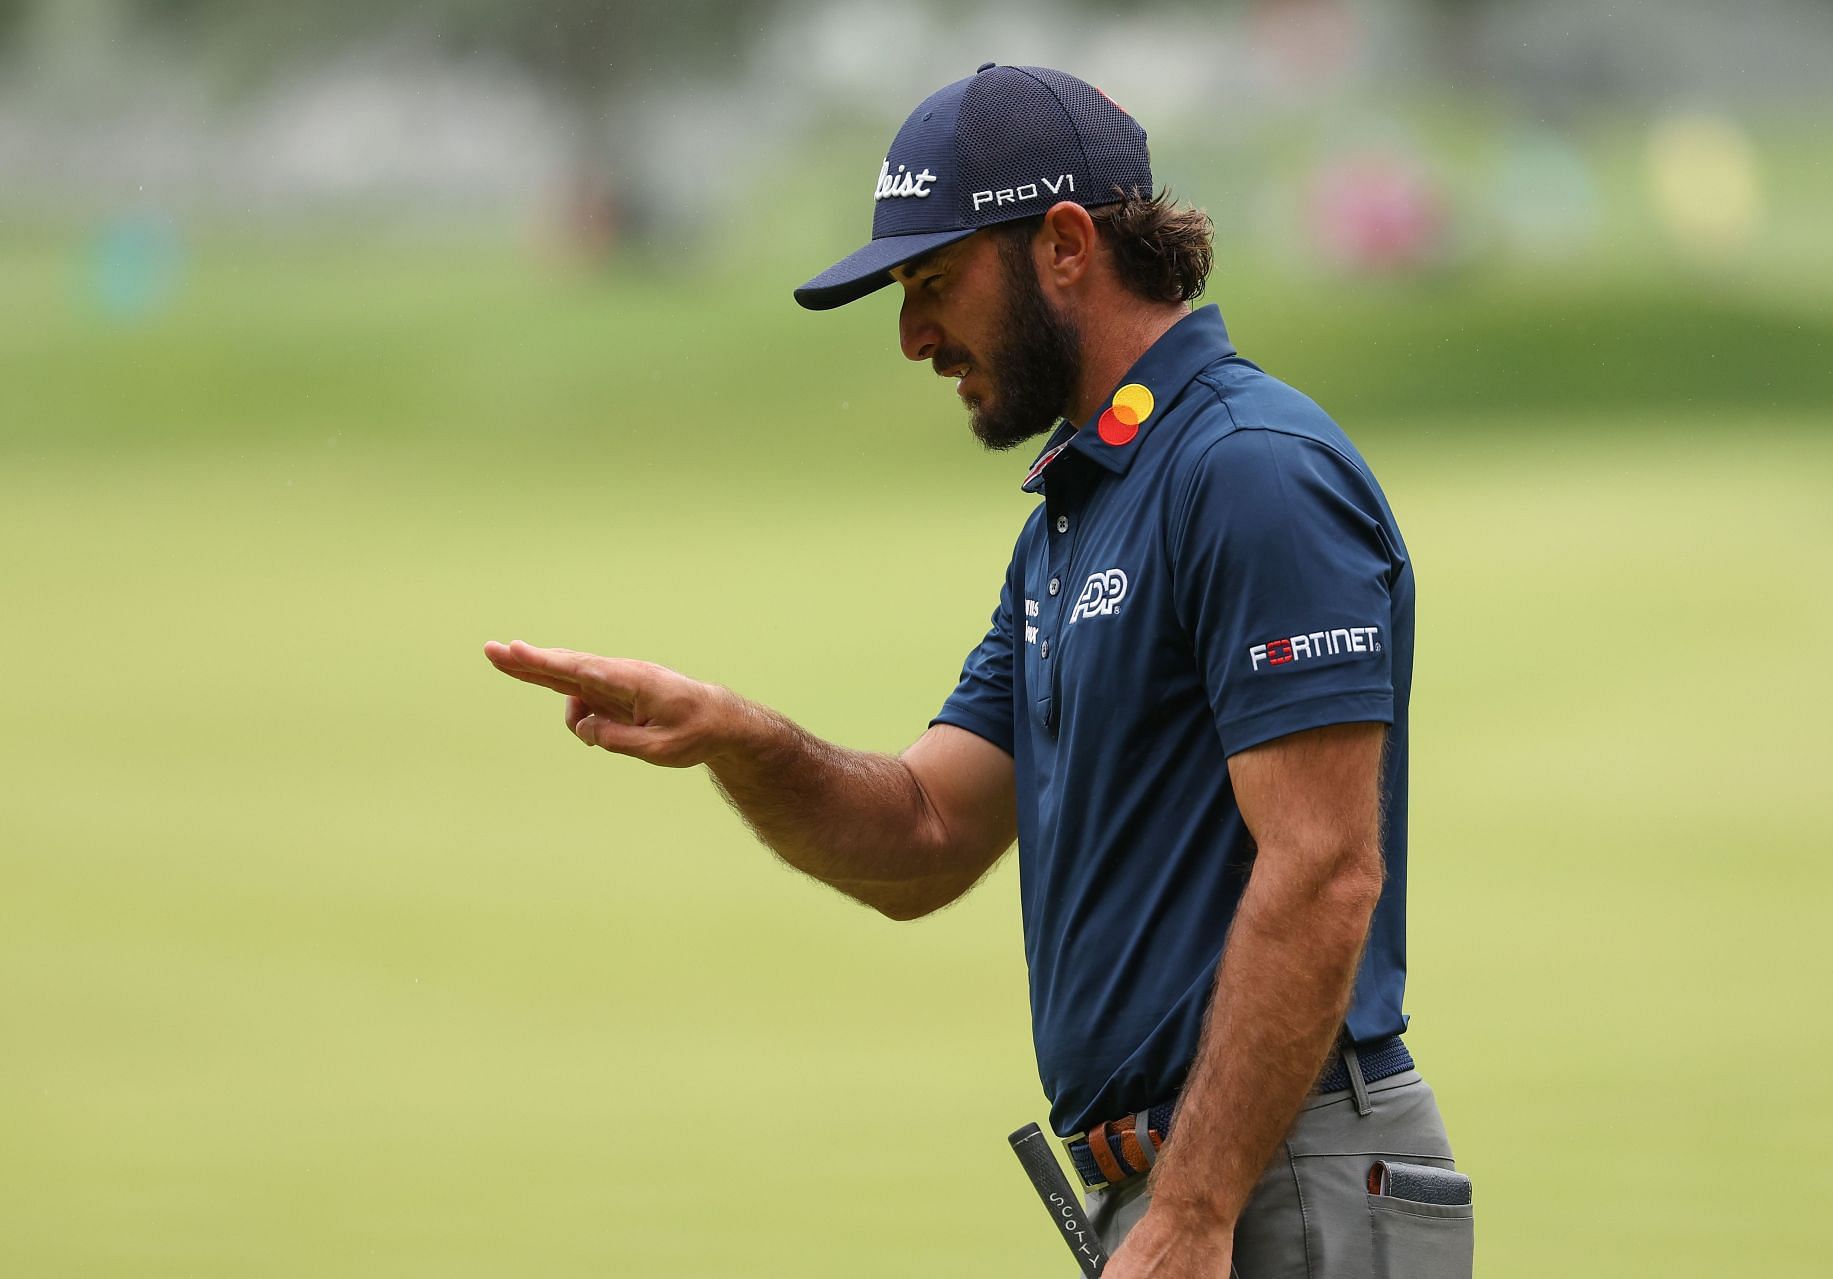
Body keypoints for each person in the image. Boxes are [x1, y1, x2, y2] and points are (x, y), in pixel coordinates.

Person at [484, 63, 1470, 1278]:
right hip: (1192, 1186)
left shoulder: (1248, 472)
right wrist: (740, 738)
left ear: (1064, 246)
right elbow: (925, 830)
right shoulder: (1076, 514)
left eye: (934, 282)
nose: (909, 337)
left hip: (1280, 1180)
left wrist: (1195, 1207)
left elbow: (1324, 867)